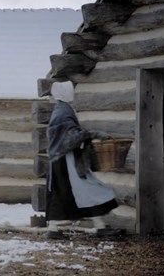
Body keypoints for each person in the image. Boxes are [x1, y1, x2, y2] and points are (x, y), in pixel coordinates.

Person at [45, 81, 121, 239]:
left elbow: (66, 136)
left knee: (66, 193)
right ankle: (99, 227)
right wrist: (93, 134)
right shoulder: (62, 112)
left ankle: (54, 230)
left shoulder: (62, 109)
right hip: (66, 160)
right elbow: (69, 138)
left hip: (60, 159)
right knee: (86, 189)